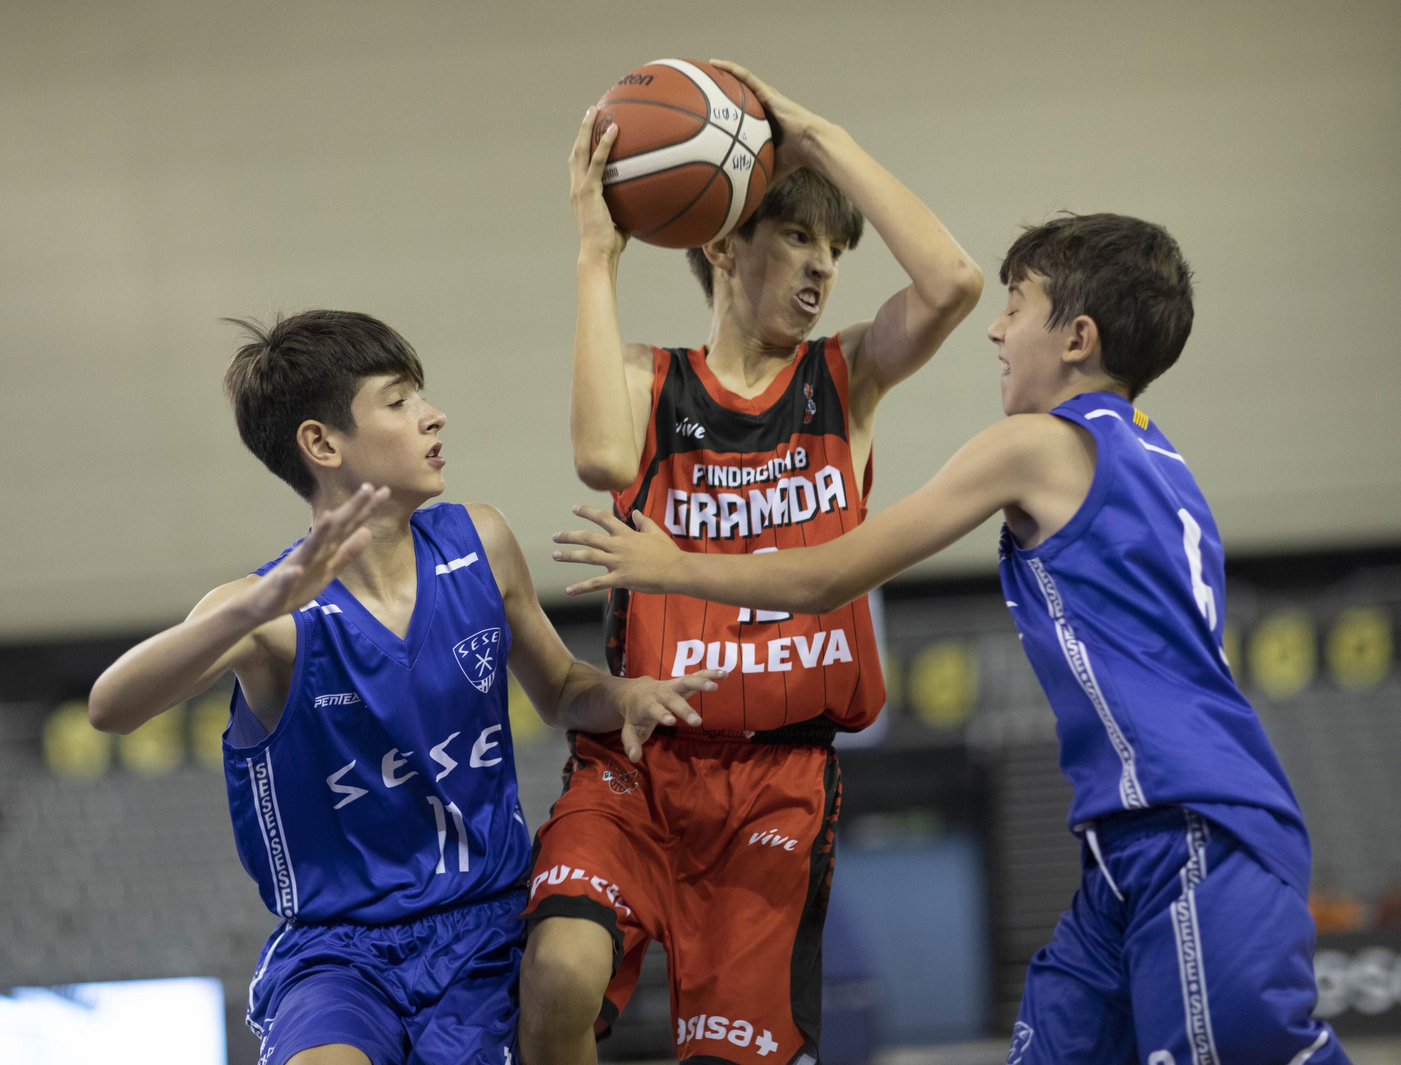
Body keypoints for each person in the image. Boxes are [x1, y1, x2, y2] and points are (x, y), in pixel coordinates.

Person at [553, 213, 1348, 1064]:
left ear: (1078, 336)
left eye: (1018, 306)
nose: (997, 329)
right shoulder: (1159, 458)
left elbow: (828, 576)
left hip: (1195, 824)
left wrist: (675, 565)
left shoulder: (1039, 447)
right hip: (1125, 847)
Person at [87, 311, 721, 1065]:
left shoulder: (480, 542)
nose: (432, 413)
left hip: (487, 922)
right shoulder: (271, 616)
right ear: (322, 443)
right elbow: (109, 707)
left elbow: (558, 688)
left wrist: (622, 696)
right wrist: (256, 603)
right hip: (339, 953)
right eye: (397, 400)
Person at [520, 60, 983, 1065]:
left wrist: (814, 136)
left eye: (836, 250)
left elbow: (952, 283)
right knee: (555, 978)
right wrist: (597, 255)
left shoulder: (845, 379)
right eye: (798, 238)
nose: (823, 268)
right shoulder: (652, 381)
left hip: (778, 781)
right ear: (725, 244)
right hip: (639, 767)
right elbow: (600, 457)